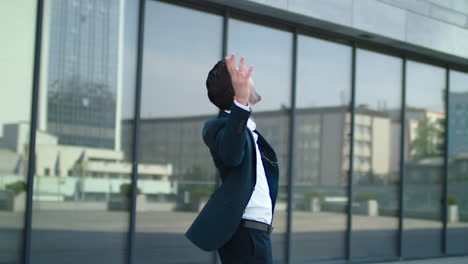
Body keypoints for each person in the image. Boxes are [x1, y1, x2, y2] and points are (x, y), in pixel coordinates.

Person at [184, 54, 279, 264]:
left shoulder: (245, 127)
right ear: (235, 88)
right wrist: (241, 103)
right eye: (240, 75)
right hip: (245, 233)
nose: (248, 77)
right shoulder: (219, 127)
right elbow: (232, 155)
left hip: (256, 232)